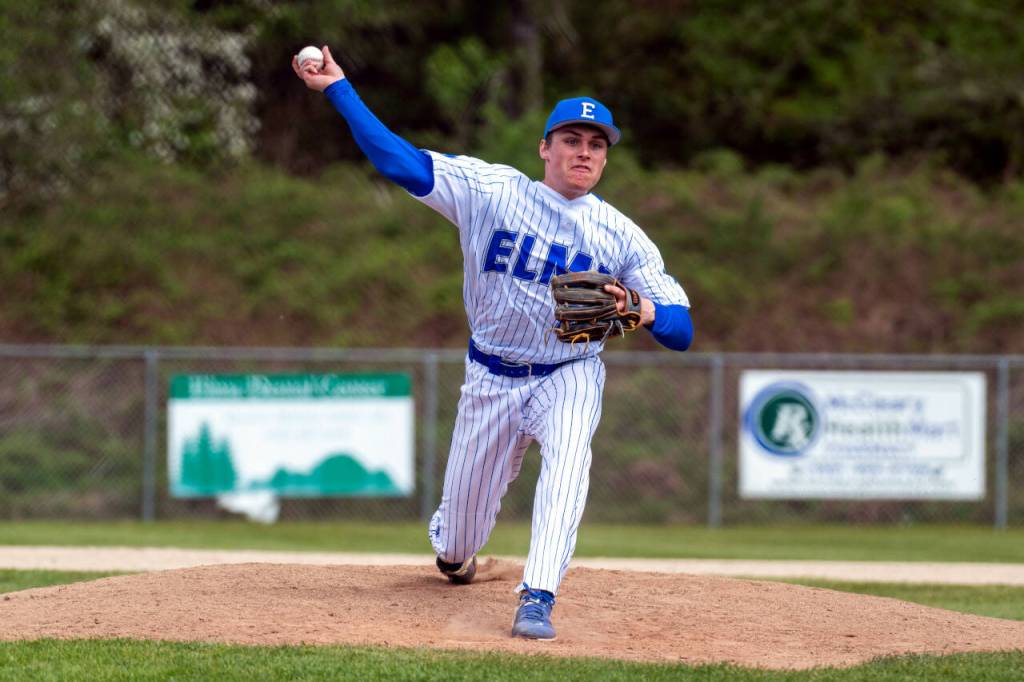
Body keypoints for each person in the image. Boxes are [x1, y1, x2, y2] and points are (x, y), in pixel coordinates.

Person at [294, 46, 693, 640]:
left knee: (568, 463)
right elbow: (399, 161)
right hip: (491, 375)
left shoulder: (623, 238)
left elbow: (682, 329)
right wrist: (339, 90)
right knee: (458, 538)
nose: (583, 152)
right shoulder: (492, 191)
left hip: (570, 370)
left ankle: (538, 595)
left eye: (596, 144)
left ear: (605, 158)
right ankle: (456, 556)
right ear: (544, 148)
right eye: (571, 140)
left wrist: (641, 307)